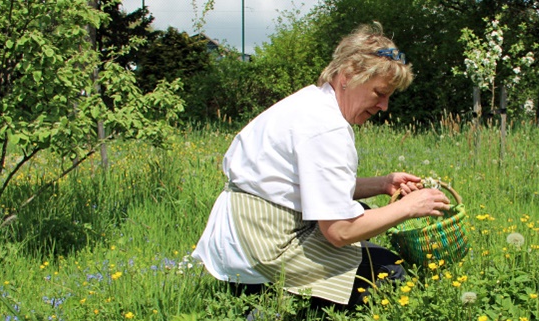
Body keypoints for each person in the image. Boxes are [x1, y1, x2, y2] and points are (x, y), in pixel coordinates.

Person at [191, 22, 451, 311]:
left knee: (365, 221)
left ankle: (263, 296)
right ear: (349, 75)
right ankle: (275, 306)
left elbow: (313, 187)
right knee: (392, 272)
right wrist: (409, 207)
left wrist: (382, 183)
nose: (384, 106)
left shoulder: (311, 103)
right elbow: (339, 230)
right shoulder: (326, 128)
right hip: (265, 246)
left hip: (240, 237)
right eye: (380, 93)